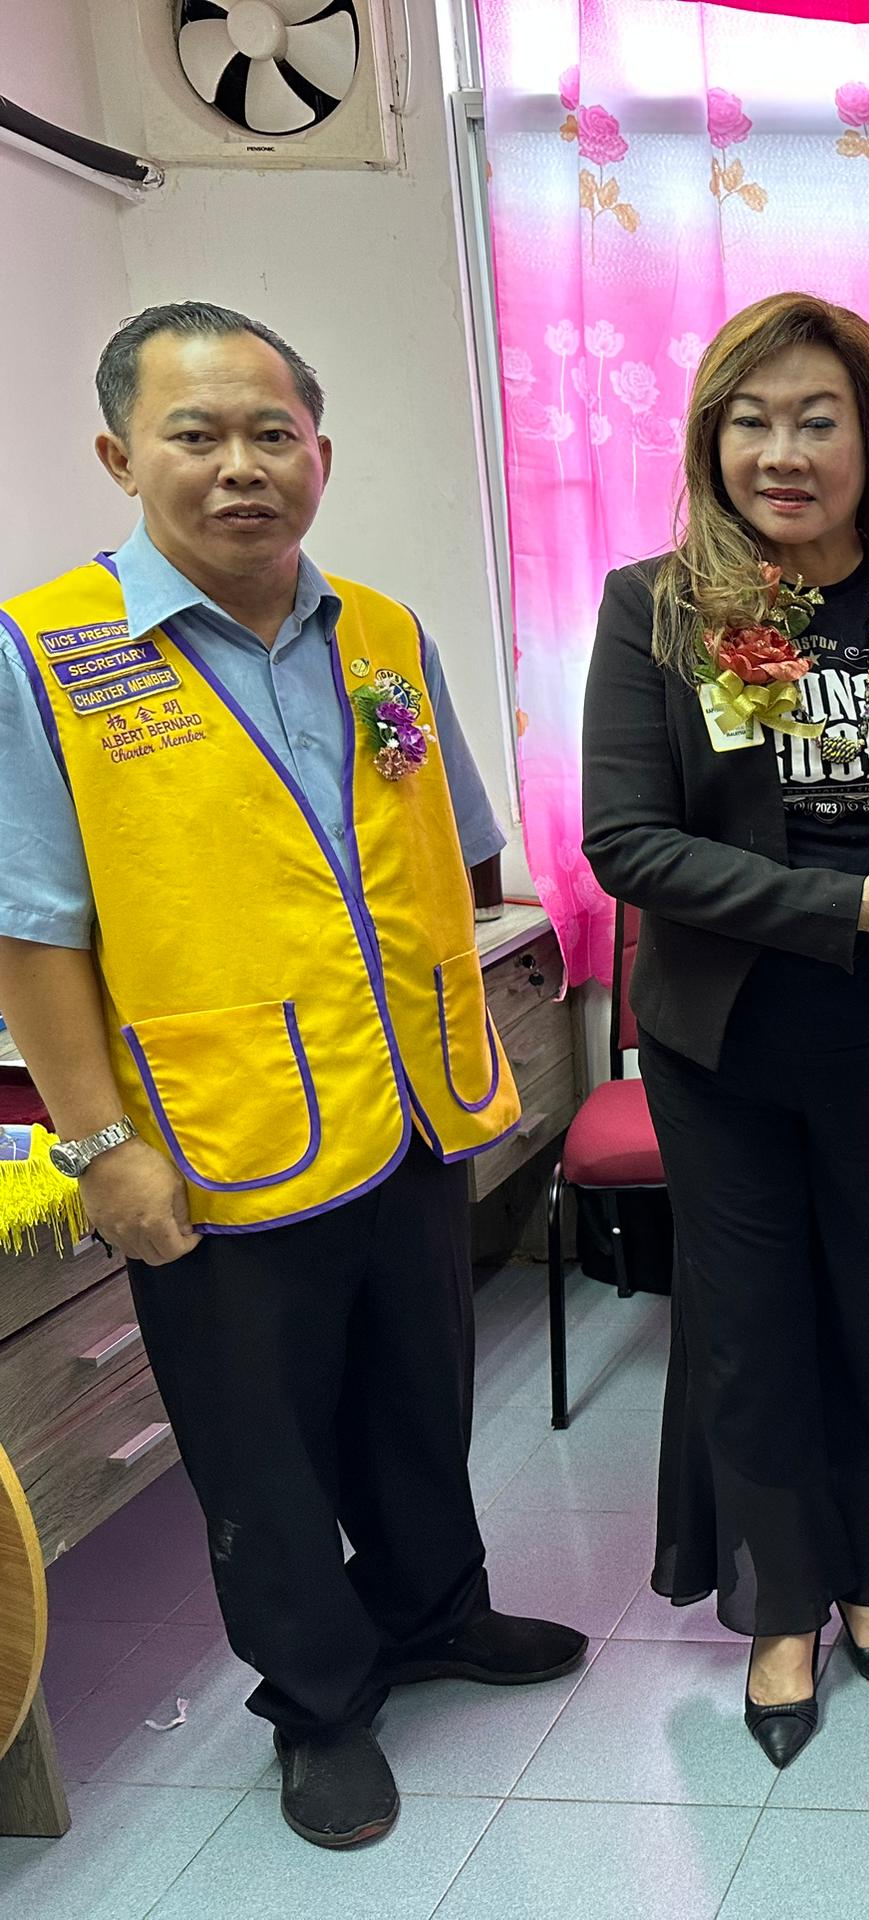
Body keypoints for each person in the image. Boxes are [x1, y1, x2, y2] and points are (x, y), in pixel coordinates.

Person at [0, 303, 587, 1850]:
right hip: (212, 1138)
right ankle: (319, 1704)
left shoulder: (381, 632)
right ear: (121, 455)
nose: (242, 467)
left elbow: (452, 844)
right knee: (262, 1451)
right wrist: (101, 1146)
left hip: (405, 1110)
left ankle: (435, 1614)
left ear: (320, 452)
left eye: (274, 434)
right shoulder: (48, 656)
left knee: (417, 1395)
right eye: (196, 435)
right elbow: (32, 937)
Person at [581, 292, 869, 1770]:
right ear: (711, 440)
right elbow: (627, 843)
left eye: (818, 420)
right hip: (726, 1046)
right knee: (751, 1325)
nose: (784, 452)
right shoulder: (655, 608)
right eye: (752, 421)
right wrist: (837, 909)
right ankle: (778, 1604)